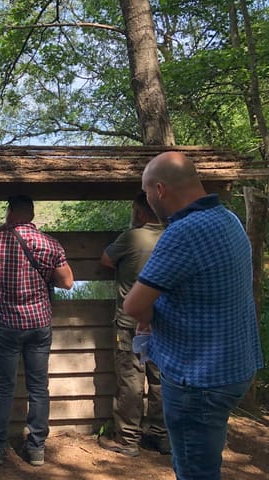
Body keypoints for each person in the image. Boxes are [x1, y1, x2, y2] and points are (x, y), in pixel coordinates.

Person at [123, 151, 263, 480]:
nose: (146, 199)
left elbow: (133, 305)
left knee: (194, 470)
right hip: (234, 368)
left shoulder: (183, 232)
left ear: (160, 190)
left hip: (197, 379)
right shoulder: (228, 219)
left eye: (145, 192)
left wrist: (148, 319)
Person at [0, 195, 73, 467]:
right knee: (38, 387)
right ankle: (36, 449)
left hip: (7, 324)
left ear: (10, 213)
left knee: (3, 386)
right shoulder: (50, 244)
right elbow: (68, 282)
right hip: (39, 323)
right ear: (32, 215)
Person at [98, 192, 169, 457]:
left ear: (139, 213)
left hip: (131, 322)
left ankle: (128, 440)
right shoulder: (173, 235)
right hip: (164, 323)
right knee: (161, 380)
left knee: (130, 379)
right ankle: (160, 436)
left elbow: (106, 259)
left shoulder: (131, 237)